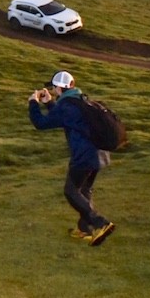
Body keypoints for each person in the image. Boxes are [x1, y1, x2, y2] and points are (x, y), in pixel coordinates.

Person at [28, 70, 116, 246]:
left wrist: (33, 103)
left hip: (84, 156)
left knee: (71, 190)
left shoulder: (67, 106)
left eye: (53, 89)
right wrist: (50, 103)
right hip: (99, 153)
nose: (53, 91)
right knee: (84, 190)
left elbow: (41, 123)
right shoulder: (81, 101)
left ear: (59, 88)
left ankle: (100, 223)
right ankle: (85, 230)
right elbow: (67, 119)